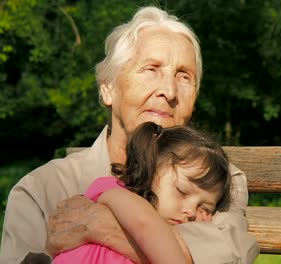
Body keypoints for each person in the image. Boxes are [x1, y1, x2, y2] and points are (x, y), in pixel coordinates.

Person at [1, 5, 259, 264]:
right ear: (108, 89)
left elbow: (229, 255)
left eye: (184, 76)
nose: (169, 91)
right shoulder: (41, 190)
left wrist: (98, 224)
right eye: (151, 69)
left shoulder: (217, 179)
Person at [53, 121, 232, 263]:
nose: (191, 212)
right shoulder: (116, 192)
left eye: (205, 208)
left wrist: (197, 229)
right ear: (151, 168)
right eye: (182, 191)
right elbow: (144, 223)